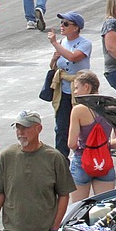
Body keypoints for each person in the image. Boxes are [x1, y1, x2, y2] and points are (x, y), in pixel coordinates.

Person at [66, 71, 116, 199]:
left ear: (86, 87)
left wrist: (87, 148)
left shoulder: (78, 110)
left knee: (78, 209)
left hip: (82, 161)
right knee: (104, 207)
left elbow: (71, 143)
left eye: (77, 88)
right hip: (104, 161)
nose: (75, 92)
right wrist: (103, 146)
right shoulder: (111, 107)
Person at [45, 11, 91, 158]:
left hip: (80, 90)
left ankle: (86, 157)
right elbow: (55, 64)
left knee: (84, 126)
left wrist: (54, 44)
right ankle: (62, 161)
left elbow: (73, 57)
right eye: (61, 23)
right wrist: (54, 58)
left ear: (76, 28)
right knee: (61, 128)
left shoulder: (85, 44)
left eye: (66, 24)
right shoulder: (63, 43)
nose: (62, 26)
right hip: (64, 91)